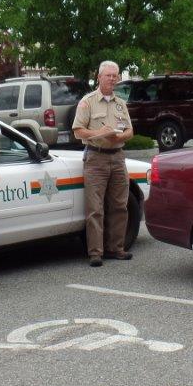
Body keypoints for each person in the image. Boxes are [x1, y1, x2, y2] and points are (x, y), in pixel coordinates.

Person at [72, 60, 134, 267]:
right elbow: (78, 131)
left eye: (115, 75)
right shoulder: (87, 102)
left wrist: (119, 137)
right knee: (95, 208)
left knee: (119, 205)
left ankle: (116, 248)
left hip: (117, 156)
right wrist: (99, 133)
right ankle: (96, 252)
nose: (112, 79)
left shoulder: (120, 103)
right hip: (96, 157)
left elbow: (130, 131)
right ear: (99, 77)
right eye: (108, 75)